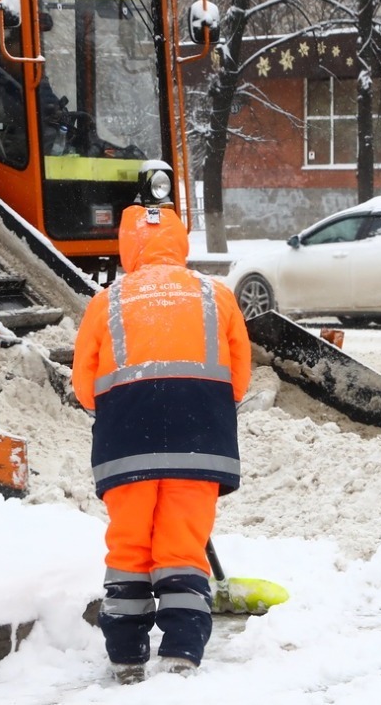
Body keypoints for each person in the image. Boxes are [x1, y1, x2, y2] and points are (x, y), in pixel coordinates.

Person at [71, 204, 252, 682]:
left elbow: (84, 387)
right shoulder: (217, 296)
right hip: (200, 438)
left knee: (130, 547)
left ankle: (127, 655)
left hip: (127, 441)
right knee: (182, 547)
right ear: (181, 242)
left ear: (129, 245)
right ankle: (181, 652)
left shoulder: (106, 301)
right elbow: (238, 379)